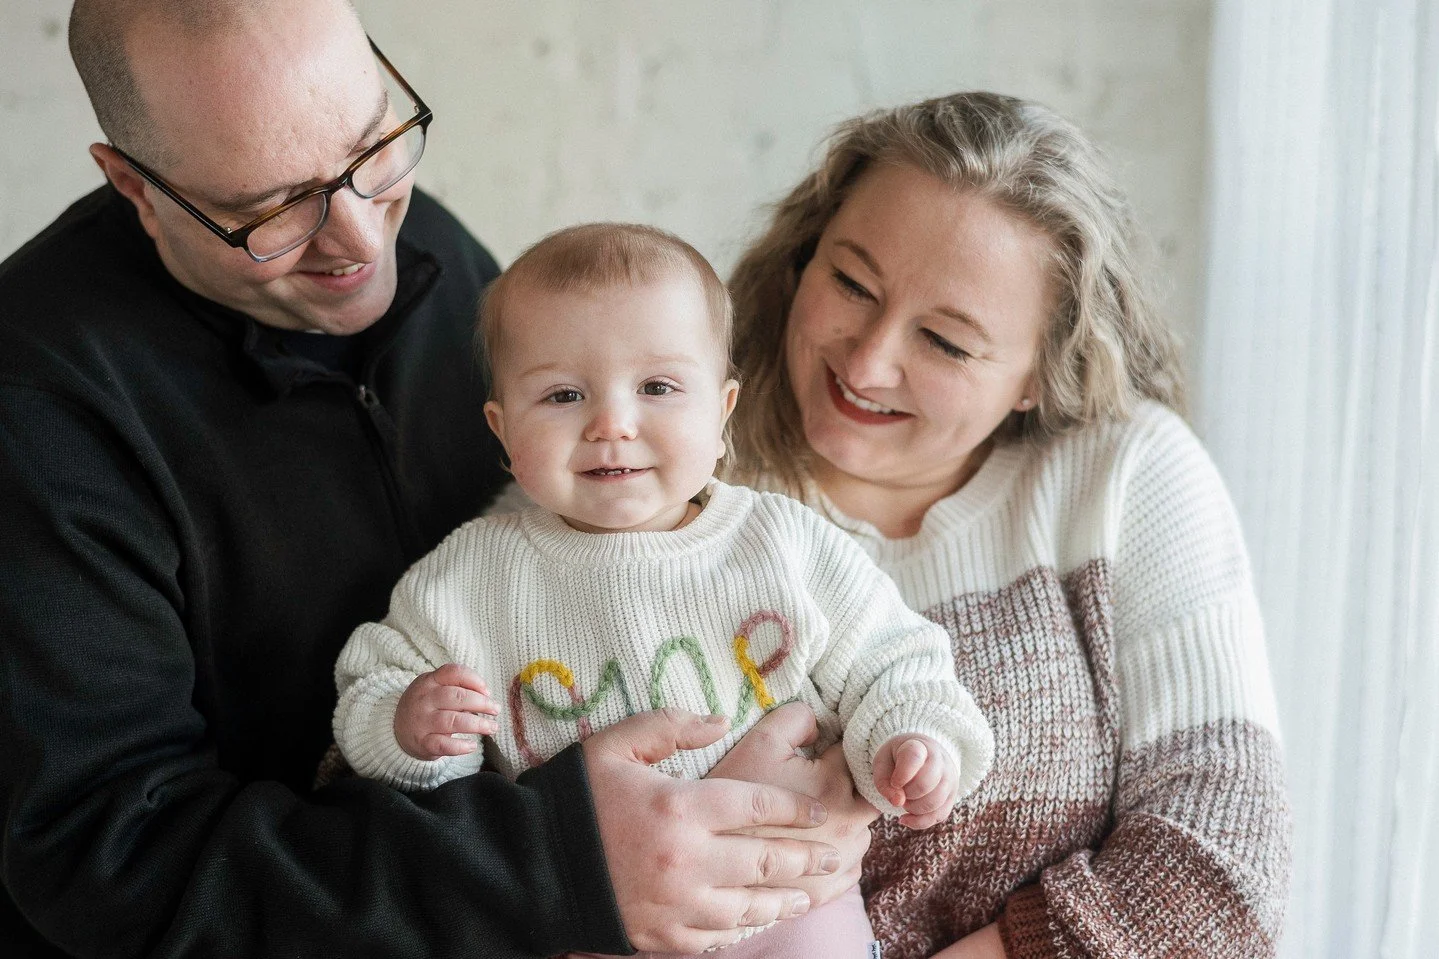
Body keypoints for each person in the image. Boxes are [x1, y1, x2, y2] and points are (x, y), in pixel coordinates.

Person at [0, 2, 875, 956]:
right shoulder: (37, 407)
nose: (362, 243)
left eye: (374, 142)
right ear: (133, 183)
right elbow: (107, 862)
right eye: (269, 212)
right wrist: (552, 862)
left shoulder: (432, 251)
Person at [723, 92, 1293, 958]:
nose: (868, 359)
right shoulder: (660, 460)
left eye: (946, 343)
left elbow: (1222, 862)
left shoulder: (1121, 473)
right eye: (849, 282)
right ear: (803, 253)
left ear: (1040, 371)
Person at [331, 222, 997, 958]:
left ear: (721, 411)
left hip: (785, 896)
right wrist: (407, 726)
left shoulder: (782, 543)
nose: (611, 424)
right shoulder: (467, 580)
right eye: (561, 394)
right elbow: (370, 687)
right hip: (590, 919)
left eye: (656, 387)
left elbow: (895, 660)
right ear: (501, 427)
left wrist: (912, 741)